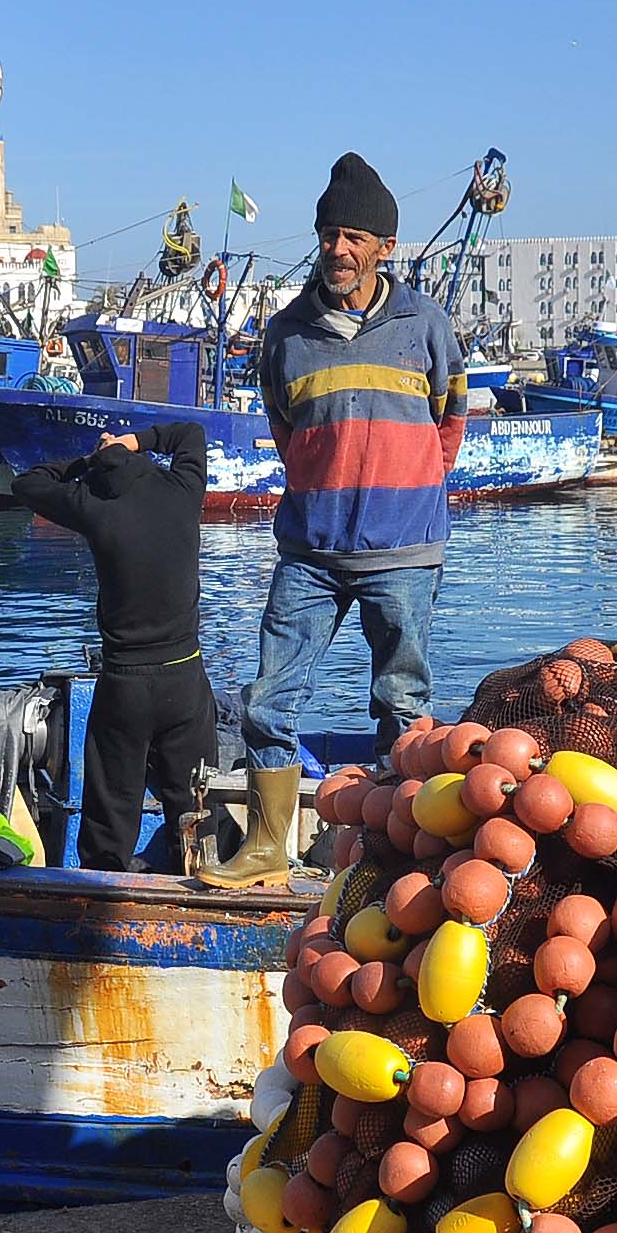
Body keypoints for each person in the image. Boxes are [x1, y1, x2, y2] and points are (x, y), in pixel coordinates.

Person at [196, 151, 465, 890]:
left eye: (353, 237)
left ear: (384, 247)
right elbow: (288, 430)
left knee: (403, 705)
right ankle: (264, 851)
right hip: (308, 551)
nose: (337, 250)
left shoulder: (426, 325)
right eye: (327, 235)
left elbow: (452, 419)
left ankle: (404, 858)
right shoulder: (285, 335)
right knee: (267, 700)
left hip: (405, 551)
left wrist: (407, 490)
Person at [13, 422, 215, 872]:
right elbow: (190, 434)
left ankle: (102, 889)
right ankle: (196, 876)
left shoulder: (93, 508)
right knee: (194, 803)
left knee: (111, 807)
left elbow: (28, 483)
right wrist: (132, 442)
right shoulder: (183, 491)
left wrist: (89, 460)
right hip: (184, 675)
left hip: (124, 683)